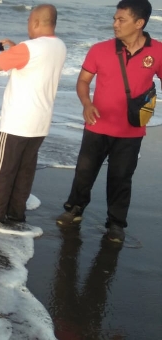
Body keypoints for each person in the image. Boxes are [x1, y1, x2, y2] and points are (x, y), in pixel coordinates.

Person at [56, 0, 161, 243]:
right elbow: (83, 81)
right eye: (114, 19)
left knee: (121, 178)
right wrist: (87, 103)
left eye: (121, 19)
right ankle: (74, 209)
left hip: (131, 131)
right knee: (84, 173)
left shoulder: (158, 52)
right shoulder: (99, 50)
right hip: (97, 125)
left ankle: (115, 224)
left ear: (139, 23)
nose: (114, 24)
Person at [0, 4, 67, 226]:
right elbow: (35, 64)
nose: (27, 24)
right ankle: (16, 214)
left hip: (17, 122)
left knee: (3, 171)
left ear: (36, 22)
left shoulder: (29, 48)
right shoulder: (59, 46)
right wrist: (16, 49)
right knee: (24, 171)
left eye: (28, 20)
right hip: (40, 123)